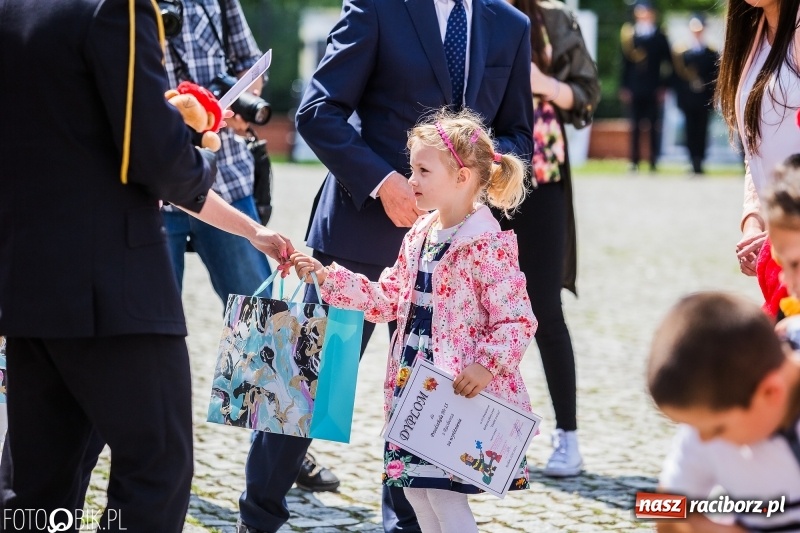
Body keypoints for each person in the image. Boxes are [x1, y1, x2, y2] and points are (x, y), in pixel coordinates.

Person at [238, 0, 535, 531]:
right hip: (356, 229)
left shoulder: (510, 25)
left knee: (422, 411)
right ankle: (256, 520)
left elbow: (514, 135)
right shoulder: (377, 6)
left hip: (453, 252)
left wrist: (467, 185)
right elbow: (317, 110)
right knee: (300, 394)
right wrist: (384, 182)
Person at [0, 0, 292, 530]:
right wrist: (199, 143)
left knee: (37, 490)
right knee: (156, 470)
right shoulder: (115, 7)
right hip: (113, 284)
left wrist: (251, 229)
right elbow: (154, 158)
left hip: (27, 283)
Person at [291, 108, 537, 533]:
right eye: (412, 169)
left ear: (462, 178)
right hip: (414, 389)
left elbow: (516, 320)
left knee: (443, 497)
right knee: (416, 492)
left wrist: (485, 365)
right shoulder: (420, 234)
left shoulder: (487, 243)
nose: (412, 181)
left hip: (456, 394)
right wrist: (329, 278)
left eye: (423, 170)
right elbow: (389, 298)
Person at [505, 0, 600, 478]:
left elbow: (588, 94)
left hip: (542, 177)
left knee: (543, 307)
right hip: (480, 176)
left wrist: (545, 84)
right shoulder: (467, 14)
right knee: (473, 307)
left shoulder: (553, 18)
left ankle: (568, 436)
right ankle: (488, 432)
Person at [647, 291, 800, 532]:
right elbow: (661, 508)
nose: (703, 440)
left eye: (717, 429)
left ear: (770, 392)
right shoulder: (708, 421)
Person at [716, 0, 800, 304]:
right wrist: (753, 222)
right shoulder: (751, 33)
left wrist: (788, 224)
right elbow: (757, 150)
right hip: (780, 253)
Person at [619, 1, 673, 173]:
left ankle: (653, 160)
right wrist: (624, 86)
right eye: (641, 12)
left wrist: (664, 86)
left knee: (653, 125)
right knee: (634, 125)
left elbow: (669, 63)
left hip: (654, 88)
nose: (644, 15)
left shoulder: (659, 35)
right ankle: (634, 160)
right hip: (635, 88)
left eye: (647, 12)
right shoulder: (630, 35)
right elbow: (624, 64)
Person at [671, 14, 719, 176]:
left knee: (702, 129)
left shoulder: (711, 52)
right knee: (690, 130)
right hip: (688, 98)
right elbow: (676, 78)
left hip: (704, 98)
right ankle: (691, 160)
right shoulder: (682, 52)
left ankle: (700, 161)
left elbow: (715, 77)